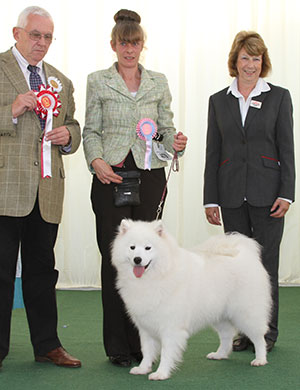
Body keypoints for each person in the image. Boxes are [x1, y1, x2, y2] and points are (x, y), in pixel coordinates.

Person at [83, 9, 187, 367]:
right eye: (124, 43)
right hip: (109, 176)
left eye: (136, 43)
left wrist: (176, 141)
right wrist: (97, 162)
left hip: (150, 173)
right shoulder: (97, 80)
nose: (130, 49)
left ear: (143, 45)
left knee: (150, 259)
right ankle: (118, 346)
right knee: (117, 261)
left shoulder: (158, 81)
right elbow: (90, 131)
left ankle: (146, 344)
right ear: (113, 45)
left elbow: (166, 128)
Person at [203, 31, 295, 353]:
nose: (250, 65)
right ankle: (244, 333)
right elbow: (213, 152)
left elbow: (287, 147)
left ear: (263, 62)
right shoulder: (218, 100)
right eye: (245, 58)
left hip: (268, 195)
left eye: (256, 58)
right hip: (230, 197)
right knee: (237, 270)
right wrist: (210, 198)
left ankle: (266, 333)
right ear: (235, 61)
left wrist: (287, 193)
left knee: (266, 265)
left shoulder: (279, 97)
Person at [0, 6, 81, 368]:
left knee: (42, 272)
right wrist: (11, 110)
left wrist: (68, 137)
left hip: (46, 192)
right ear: (17, 34)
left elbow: (74, 126)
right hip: (6, 189)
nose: (42, 43)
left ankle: (47, 344)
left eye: (48, 37)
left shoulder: (60, 80)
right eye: (36, 35)